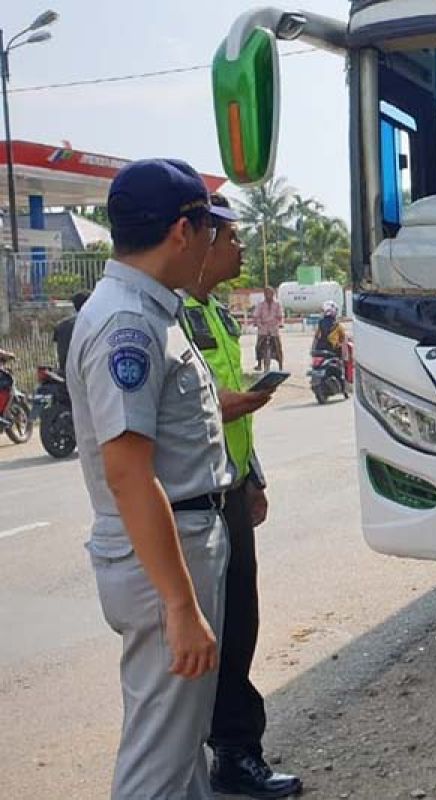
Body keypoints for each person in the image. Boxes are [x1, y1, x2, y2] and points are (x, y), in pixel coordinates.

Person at [66, 158, 238, 799]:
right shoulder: (128, 325)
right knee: (158, 758)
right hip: (163, 558)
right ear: (181, 232)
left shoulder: (149, 309)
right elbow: (128, 475)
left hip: (180, 541)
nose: (213, 243)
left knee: (179, 742)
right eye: (208, 227)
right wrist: (179, 603)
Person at [180, 193, 303, 798]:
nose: (237, 250)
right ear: (200, 240)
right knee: (207, 633)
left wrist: (253, 476)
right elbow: (194, 408)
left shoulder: (221, 317)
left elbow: (231, 415)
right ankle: (216, 753)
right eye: (229, 238)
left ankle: (232, 752)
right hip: (192, 496)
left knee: (240, 623)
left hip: (229, 487)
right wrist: (239, 403)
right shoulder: (172, 318)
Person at [53, 291, 91, 373]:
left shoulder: (60, 325)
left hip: (64, 370)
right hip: (85, 370)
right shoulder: (91, 324)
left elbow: (56, 350)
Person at [251, 286, 284, 371]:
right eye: (267, 294)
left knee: (278, 347)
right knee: (258, 346)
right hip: (263, 328)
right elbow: (256, 315)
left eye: (270, 293)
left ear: (273, 294)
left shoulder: (277, 304)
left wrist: (280, 324)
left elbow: (280, 316)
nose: (268, 295)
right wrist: (257, 323)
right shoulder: (260, 304)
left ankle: (280, 365)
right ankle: (259, 363)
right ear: (264, 294)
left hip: (274, 328)